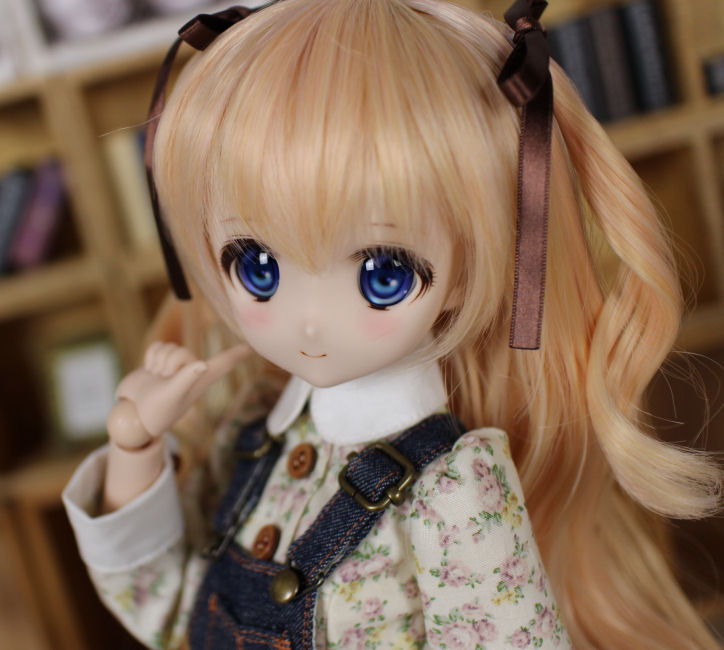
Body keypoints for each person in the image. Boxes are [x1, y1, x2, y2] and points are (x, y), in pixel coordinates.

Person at [63, 0, 722, 648]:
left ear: (467, 270)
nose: (309, 323)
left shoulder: (452, 491)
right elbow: (168, 608)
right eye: (258, 266)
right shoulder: (254, 432)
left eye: (383, 274)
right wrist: (134, 449)